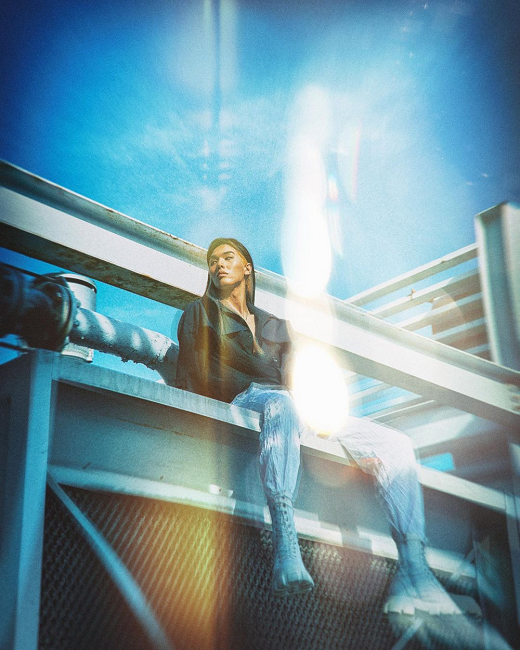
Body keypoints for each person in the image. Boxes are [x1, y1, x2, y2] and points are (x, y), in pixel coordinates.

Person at [175, 237, 461, 615]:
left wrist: (332, 431)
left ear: (247, 267)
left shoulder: (277, 326)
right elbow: (195, 375)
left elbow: (302, 382)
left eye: (228, 257)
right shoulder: (199, 313)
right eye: (212, 261)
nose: (218, 265)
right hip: (242, 402)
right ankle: (286, 544)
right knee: (280, 401)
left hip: (294, 409)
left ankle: (414, 570)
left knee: (395, 443)